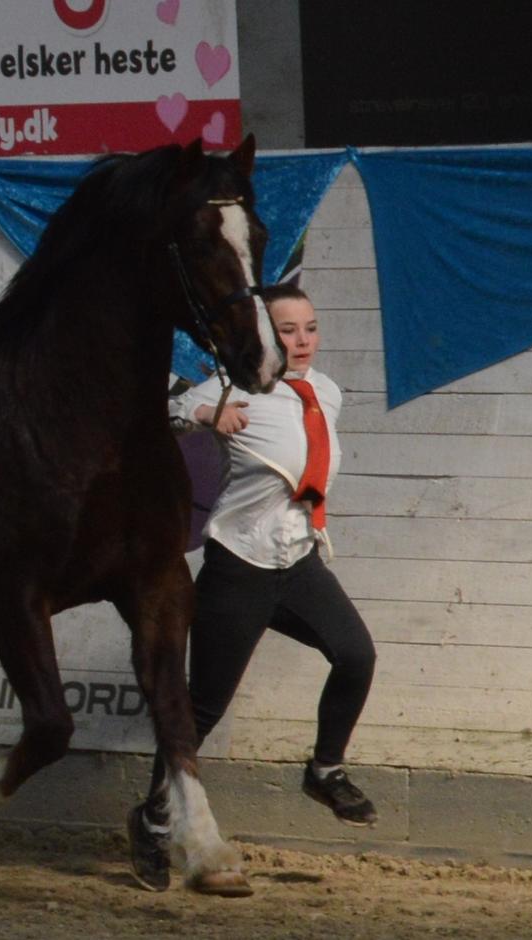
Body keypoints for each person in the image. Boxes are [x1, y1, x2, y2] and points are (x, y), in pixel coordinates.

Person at [127, 283, 378, 893]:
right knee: (204, 710)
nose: (301, 341)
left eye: (310, 328)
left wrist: (308, 518)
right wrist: (209, 414)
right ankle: (153, 821)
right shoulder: (236, 383)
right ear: (266, 334)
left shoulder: (327, 394)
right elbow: (161, 408)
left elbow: (312, 466)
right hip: (239, 567)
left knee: (356, 656)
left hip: (296, 561)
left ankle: (324, 769)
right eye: (288, 330)